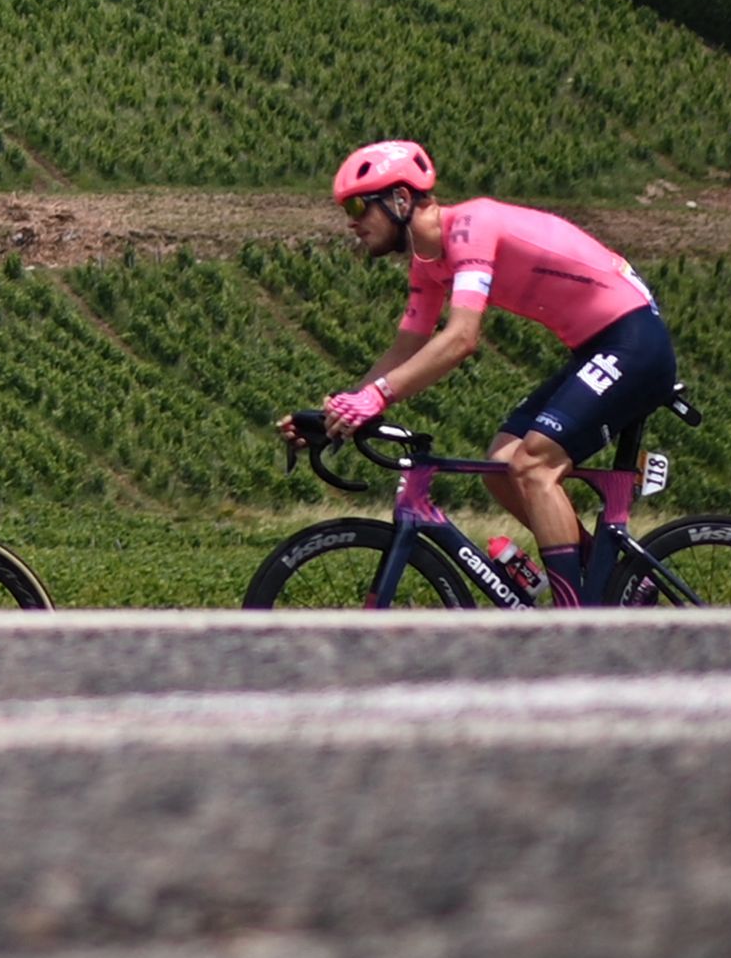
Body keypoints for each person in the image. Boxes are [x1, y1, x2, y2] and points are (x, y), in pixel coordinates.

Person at [284, 141, 672, 610]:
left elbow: (462, 337)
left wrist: (377, 397)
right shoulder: (428, 266)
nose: (351, 219)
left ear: (401, 200)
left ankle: (577, 623)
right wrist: (339, 410)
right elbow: (406, 347)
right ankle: (612, 582)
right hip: (597, 346)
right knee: (502, 465)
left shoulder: (471, 226)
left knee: (533, 464)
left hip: (633, 340)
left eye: (359, 204)